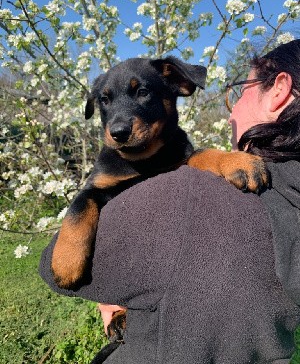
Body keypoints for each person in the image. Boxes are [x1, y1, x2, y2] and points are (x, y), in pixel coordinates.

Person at [39, 39, 300, 363]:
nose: (118, 121)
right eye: (106, 102)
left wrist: (220, 160)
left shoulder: (183, 160)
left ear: (176, 86)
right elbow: (91, 197)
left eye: (142, 93)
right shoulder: (112, 165)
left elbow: (194, 160)